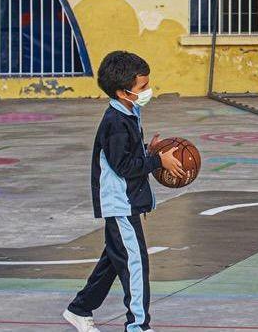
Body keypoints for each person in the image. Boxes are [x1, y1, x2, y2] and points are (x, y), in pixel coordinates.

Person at [62, 50, 185, 332]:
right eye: (142, 87)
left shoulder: (129, 111)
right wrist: (157, 161)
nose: (147, 91)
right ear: (122, 91)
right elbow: (124, 166)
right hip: (120, 203)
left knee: (115, 260)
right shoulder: (115, 123)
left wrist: (148, 151)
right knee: (135, 265)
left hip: (126, 201)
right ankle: (138, 325)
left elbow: (129, 156)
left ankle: (79, 309)